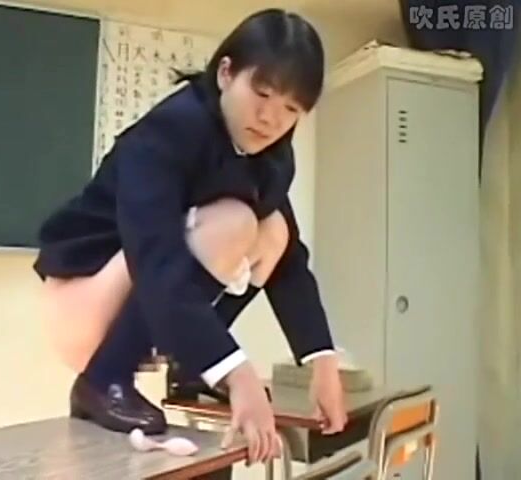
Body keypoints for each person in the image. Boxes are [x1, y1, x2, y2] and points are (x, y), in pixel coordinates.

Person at [32, 8, 347, 470]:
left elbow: (289, 261)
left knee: (274, 230)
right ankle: (103, 378)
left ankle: (192, 365)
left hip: (144, 293)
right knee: (233, 224)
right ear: (226, 73)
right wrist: (236, 372)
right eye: (261, 94)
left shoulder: (272, 156)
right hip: (82, 303)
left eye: (291, 110)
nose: (270, 119)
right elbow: (156, 260)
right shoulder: (171, 130)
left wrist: (322, 362)